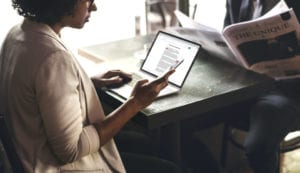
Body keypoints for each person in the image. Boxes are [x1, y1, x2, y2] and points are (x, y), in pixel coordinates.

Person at [0, 0, 180, 172]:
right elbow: (72, 150)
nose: (94, 7)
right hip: (57, 166)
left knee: (142, 143)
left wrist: (83, 83)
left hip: (30, 155)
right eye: (87, 0)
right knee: (170, 169)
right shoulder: (53, 57)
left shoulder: (18, 33)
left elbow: (40, 91)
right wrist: (135, 103)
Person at [224, 0, 300, 172]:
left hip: (289, 91)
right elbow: (227, 39)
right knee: (181, 123)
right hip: (241, 85)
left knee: (258, 146)